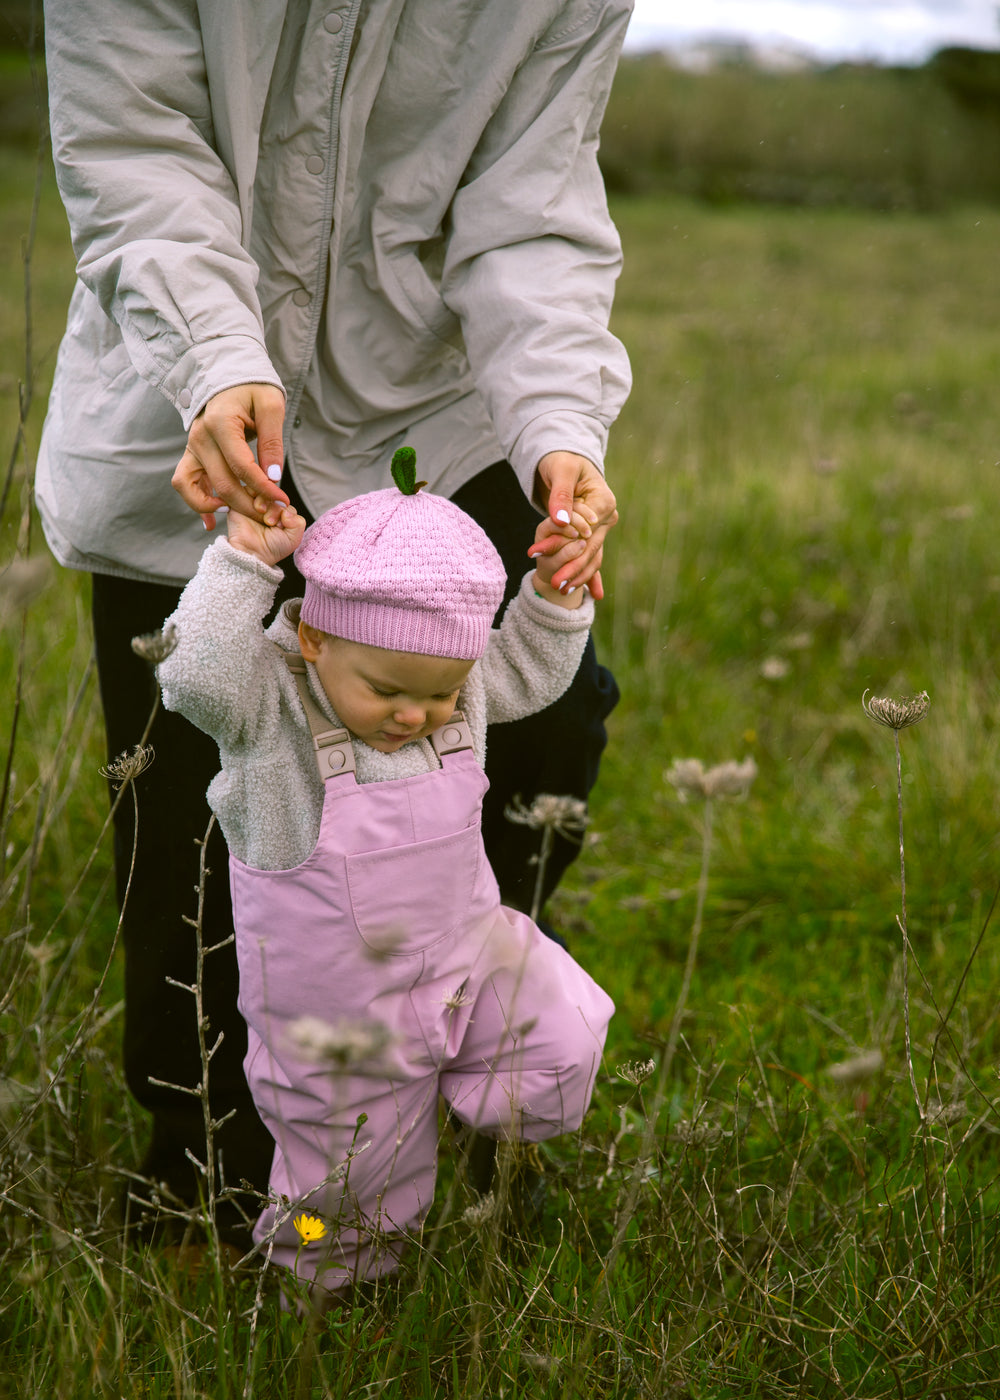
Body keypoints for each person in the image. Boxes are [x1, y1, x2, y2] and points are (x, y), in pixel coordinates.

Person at [38, 0, 632, 1244]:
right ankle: (205, 1164)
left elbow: (533, 205)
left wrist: (560, 430)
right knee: (189, 786)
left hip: (430, 404)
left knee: (545, 722)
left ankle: (451, 1059)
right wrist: (211, 356)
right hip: (191, 401)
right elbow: (136, 144)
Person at [153, 451, 614, 1292]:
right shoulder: (269, 712)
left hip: (465, 960)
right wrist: (245, 561)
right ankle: (318, 1294)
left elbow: (523, 670)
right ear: (314, 636)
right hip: (337, 1016)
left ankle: (461, 1110)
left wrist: (554, 596)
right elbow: (191, 673)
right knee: (345, 1192)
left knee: (563, 1036)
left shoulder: (458, 691)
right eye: (389, 691)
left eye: (442, 693)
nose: (417, 715)